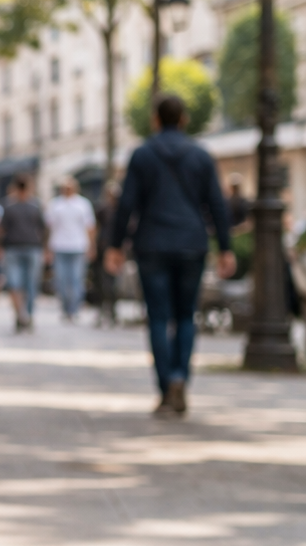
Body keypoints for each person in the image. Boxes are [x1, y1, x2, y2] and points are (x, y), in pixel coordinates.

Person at [106, 92, 234, 416]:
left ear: (155, 120)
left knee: (159, 317)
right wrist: (226, 248)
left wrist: (115, 245)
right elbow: (217, 204)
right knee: (185, 316)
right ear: (184, 119)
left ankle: (165, 388)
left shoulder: (142, 154)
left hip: (151, 243)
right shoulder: (201, 155)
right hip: (192, 242)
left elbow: (126, 204)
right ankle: (180, 377)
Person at [0, 173, 46, 331]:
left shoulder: (8, 206)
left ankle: (21, 315)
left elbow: (0, 230)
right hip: (31, 248)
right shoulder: (36, 205)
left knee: (15, 284)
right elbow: (44, 229)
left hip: (14, 248)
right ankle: (27, 315)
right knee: (29, 284)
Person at [44, 176, 96, 322]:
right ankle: (65, 307)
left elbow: (90, 227)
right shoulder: (55, 204)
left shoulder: (83, 204)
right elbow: (49, 228)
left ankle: (74, 308)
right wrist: (47, 248)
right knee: (60, 279)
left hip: (78, 246)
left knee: (76, 279)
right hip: (59, 246)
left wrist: (92, 246)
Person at [94, 179, 122, 327]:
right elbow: (96, 227)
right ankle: (104, 310)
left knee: (113, 282)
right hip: (104, 247)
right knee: (103, 281)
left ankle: (112, 311)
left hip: (116, 247)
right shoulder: (103, 208)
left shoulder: (121, 209)